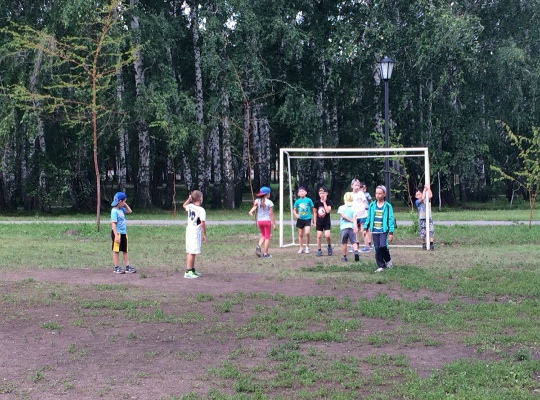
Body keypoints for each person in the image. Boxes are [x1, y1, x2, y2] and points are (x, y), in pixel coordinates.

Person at [363, 185, 395, 272]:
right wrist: (365, 228)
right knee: (376, 248)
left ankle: (388, 260)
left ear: (384, 194)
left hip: (383, 230)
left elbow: (390, 219)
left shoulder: (388, 206)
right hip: (374, 230)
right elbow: (369, 218)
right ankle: (381, 265)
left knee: (383, 246)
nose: (378, 195)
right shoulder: (372, 205)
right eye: (376, 193)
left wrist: (391, 233)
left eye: (380, 193)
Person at [183, 190, 207, 279]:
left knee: (192, 251)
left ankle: (192, 269)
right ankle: (188, 271)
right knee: (192, 252)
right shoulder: (201, 210)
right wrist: (205, 234)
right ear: (200, 198)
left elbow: (184, 205)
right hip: (195, 232)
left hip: (189, 230)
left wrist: (188, 199)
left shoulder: (190, 206)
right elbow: (202, 223)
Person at [110, 191, 135, 274]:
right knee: (116, 250)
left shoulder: (121, 209)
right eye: (124, 201)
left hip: (123, 233)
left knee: (125, 250)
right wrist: (116, 236)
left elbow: (130, 211)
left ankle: (127, 267)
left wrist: (124, 204)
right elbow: (113, 224)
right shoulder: (114, 211)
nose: (125, 203)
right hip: (117, 233)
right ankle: (116, 267)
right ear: (120, 201)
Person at [248, 186, 276, 258]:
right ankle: (265, 254)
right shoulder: (269, 202)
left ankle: (259, 246)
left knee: (263, 235)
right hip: (267, 221)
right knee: (267, 237)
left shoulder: (257, 200)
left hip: (259, 221)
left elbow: (254, 207)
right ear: (267, 194)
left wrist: (251, 211)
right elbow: (271, 214)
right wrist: (274, 223)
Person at [337, 192, 359, 262]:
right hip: (351, 227)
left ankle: (344, 257)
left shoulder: (341, 208)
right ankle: (356, 252)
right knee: (354, 242)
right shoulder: (354, 208)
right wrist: (355, 227)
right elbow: (355, 218)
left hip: (344, 228)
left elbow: (343, 216)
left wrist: (349, 220)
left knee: (344, 243)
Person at [350, 179, 370, 253]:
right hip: (354, 215)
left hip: (363, 215)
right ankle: (355, 245)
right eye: (356, 185)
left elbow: (364, 203)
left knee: (363, 230)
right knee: (355, 230)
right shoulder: (350, 194)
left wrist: (362, 210)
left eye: (358, 185)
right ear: (352, 186)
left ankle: (367, 246)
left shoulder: (361, 193)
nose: (357, 187)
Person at [293, 186, 314, 254]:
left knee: (307, 233)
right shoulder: (297, 201)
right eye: (300, 191)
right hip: (300, 219)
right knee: (300, 234)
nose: (301, 192)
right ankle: (301, 247)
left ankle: (307, 247)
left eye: (303, 191)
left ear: (306, 192)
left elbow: (313, 209)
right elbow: (294, 210)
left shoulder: (309, 200)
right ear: (298, 194)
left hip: (307, 218)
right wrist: (296, 215)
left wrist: (314, 217)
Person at [313, 186, 333, 256]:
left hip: (326, 221)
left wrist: (324, 202)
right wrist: (315, 221)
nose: (322, 195)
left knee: (327, 235)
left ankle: (329, 246)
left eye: (323, 193)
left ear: (326, 193)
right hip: (319, 222)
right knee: (319, 236)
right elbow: (315, 212)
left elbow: (327, 211)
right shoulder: (317, 203)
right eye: (320, 193)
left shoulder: (329, 202)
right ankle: (319, 250)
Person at [415, 184, 434, 250]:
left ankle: (431, 244)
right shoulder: (417, 202)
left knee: (430, 230)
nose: (418, 196)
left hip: (428, 217)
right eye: (417, 195)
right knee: (423, 232)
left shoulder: (426, 199)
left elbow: (430, 195)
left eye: (419, 194)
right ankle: (424, 244)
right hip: (422, 219)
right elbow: (422, 198)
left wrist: (428, 188)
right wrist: (424, 190)